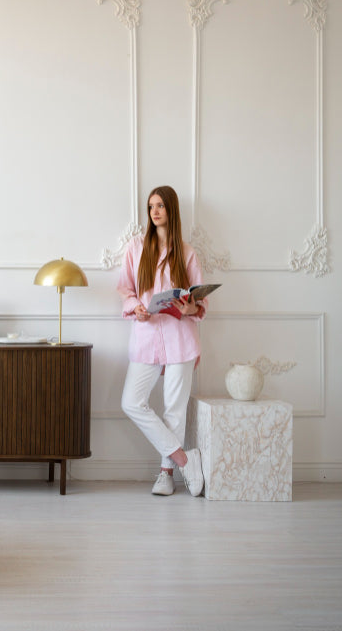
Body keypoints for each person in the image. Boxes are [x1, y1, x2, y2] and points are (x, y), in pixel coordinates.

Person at [117, 185, 207, 496]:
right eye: (151, 206)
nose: (155, 211)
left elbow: (199, 302)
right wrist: (136, 308)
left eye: (161, 206)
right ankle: (185, 459)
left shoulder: (187, 252)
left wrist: (189, 307)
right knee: (131, 401)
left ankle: (166, 474)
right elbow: (125, 290)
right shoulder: (136, 248)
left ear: (171, 210)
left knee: (174, 409)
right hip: (145, 338)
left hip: (180, 339)